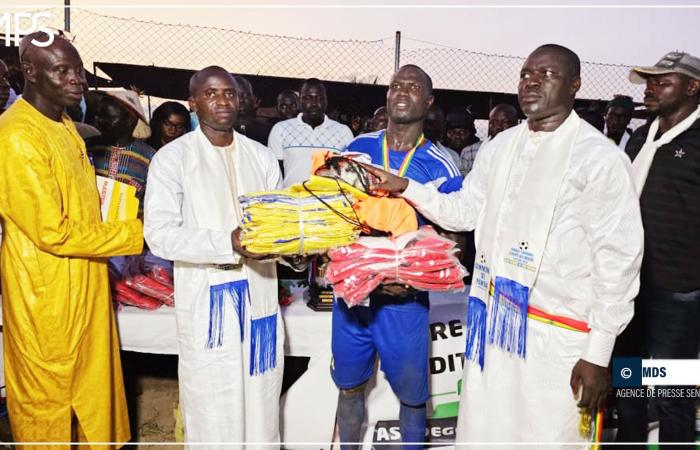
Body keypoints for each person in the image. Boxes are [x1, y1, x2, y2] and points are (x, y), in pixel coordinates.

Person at [363, 45, 644, 447]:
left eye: (547, 74)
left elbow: (618, 262)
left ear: (575, 85)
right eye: (526, 73)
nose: (531, 81)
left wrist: (598, 354)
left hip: (559, 342)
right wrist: (406, 186)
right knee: (488, 434)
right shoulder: (501, 146)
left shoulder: (599, 158)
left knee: (549, 437)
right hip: (496, 330)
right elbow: (464, 211)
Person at [0, 32, 143, 444]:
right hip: (44, 295)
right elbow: (53, 232)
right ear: (30, 72)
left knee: (92, 397)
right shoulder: (17, 137)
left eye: (78, 70)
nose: (76, 80)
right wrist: (136, 232)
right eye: (62, 70)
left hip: (85, 282)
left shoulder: (63, 126)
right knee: (50, 404)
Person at [144, 66, 284, 445]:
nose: (223, 100)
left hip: (260, 300)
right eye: (211, 93)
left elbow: (280, 227)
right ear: (193, 103)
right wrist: (229, 242)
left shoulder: (262, 156)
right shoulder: (173, 159)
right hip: (209, 304)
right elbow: (159, 236)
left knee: (262, 404)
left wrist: (294, 252)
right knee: (213, 407)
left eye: (230, 93)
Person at [332, 64, 462, 450]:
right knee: (349, 387)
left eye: (414, 86)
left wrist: (412, 275)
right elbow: (331, 212)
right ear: (387, 95)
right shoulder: (357, 149)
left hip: (404, 301)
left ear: (429, 100)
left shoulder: (442, 163)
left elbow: (452, 234)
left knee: (412, 397)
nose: (403, 91)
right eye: (396, 85)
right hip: (353, 297)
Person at [615, 51, 700, 449]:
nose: (649, 89)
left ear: (692, 88)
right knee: (628, 381)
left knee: (673, 393)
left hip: (677, 292)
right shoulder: (639, 135)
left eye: (661, 81)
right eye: (648, 81)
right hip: (630, 284)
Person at [268, 78, 354, 187]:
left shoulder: (343, 132)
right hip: (292, 200)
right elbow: (274, 172)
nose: (314, 103)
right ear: (300, 101)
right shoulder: (280, 129)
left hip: (331, 201)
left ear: (326, 101)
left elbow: (350, 173)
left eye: (319, 98)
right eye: (308, 98)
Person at [89, 89, 156, 215]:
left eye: (108, 117)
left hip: (132, 231)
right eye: (98, 115)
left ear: (130, 120)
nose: (99, 121)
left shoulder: (150, 158)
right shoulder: (87, 148)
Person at [234, 75, 273, 145]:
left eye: (245, 95)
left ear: (255, 101)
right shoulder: (220, 130)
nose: (241, 100)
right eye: (235, 95)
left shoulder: (266, 131)